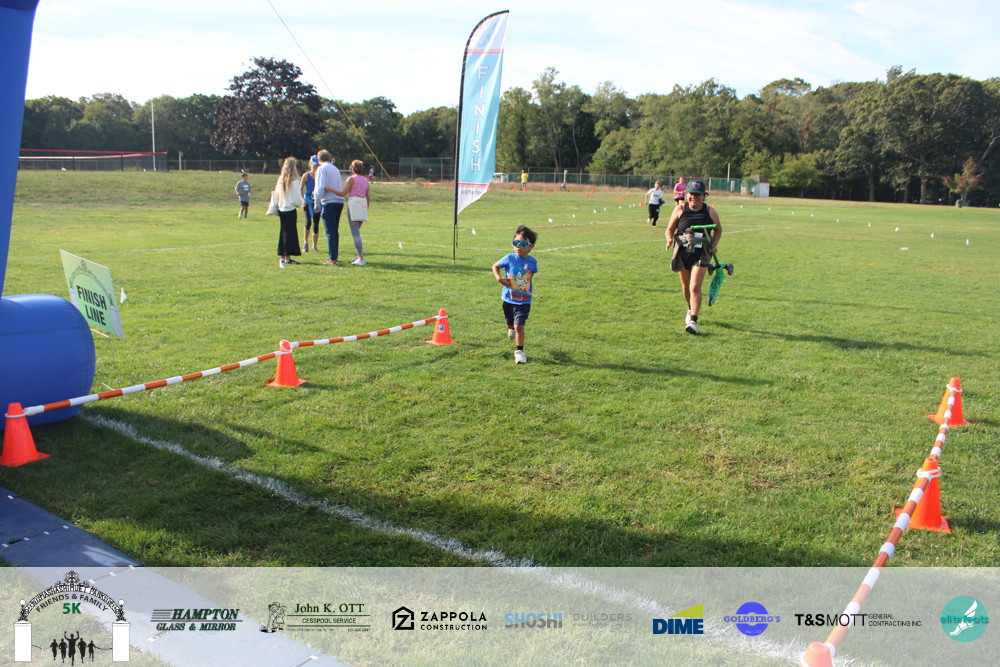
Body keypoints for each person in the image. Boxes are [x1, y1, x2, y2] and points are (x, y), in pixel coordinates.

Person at [665, 180, 721, 335]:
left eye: (698, 195)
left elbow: (718, 229)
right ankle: (690, 308)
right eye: (691, 194)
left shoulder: (710, 211)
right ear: (686, 194)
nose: (694, 197)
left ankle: (693, 321)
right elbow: (669, 229)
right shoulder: (680, 209)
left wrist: (714, 244)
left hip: (701, 252)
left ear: (704, 196)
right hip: (683, 251)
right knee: (686, 287)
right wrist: (669, 239)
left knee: (695, 286)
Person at [492, 225, 538, 364]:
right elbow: (495, 266)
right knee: (510, 324)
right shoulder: (510, 258)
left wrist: (524, 287)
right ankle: (510, 328)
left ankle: (519, 352)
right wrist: (499, 278)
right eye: (515, 242)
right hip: (508, 299)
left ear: (531, 247)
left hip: (524, 301)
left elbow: (530, 276)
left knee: (519, 326)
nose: (518, 246)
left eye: (522, 243)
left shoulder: (532, 262)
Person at [329, 159, 370, 265]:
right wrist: (366, 208)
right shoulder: (365, 180)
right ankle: (359, 255)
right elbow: (368, 196)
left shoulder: (351, 179)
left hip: (354, 205)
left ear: (353, 168)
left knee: (355, 233)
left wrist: (330, 189)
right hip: (362, 205)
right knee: (357, 231)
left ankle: (361, 257)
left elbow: (343, 193)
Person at [314, 149, 345, 265]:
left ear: (319, 159)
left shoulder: (321, 169)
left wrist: (316, 202)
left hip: (329, 201)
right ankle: (334, 255)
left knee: (330, 231)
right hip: (339, 201)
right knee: (334, 230)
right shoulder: (335, 168)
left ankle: (332, 258)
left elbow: (320, 187)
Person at [273, 157, 304, 267]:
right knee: (290, 233)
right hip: (290, 209)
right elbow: (297, 197)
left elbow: (276, 194)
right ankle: (288, 257)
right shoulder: (294, 181)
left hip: (282, 208)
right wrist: (301, 204)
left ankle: (283, 255)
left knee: (283, 232)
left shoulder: (281, 179)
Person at [299, 155, 321, 253]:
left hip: (317, 202)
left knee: (316, 223)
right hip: (307, 202)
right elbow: (300, 189)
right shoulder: (306, 176)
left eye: (317, 165)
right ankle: (305, 242)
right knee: (308, 222)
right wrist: (302, 201)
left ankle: (314, 246)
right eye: (314, 165)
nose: (315, 167)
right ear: (310, 164)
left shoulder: (320, 176)